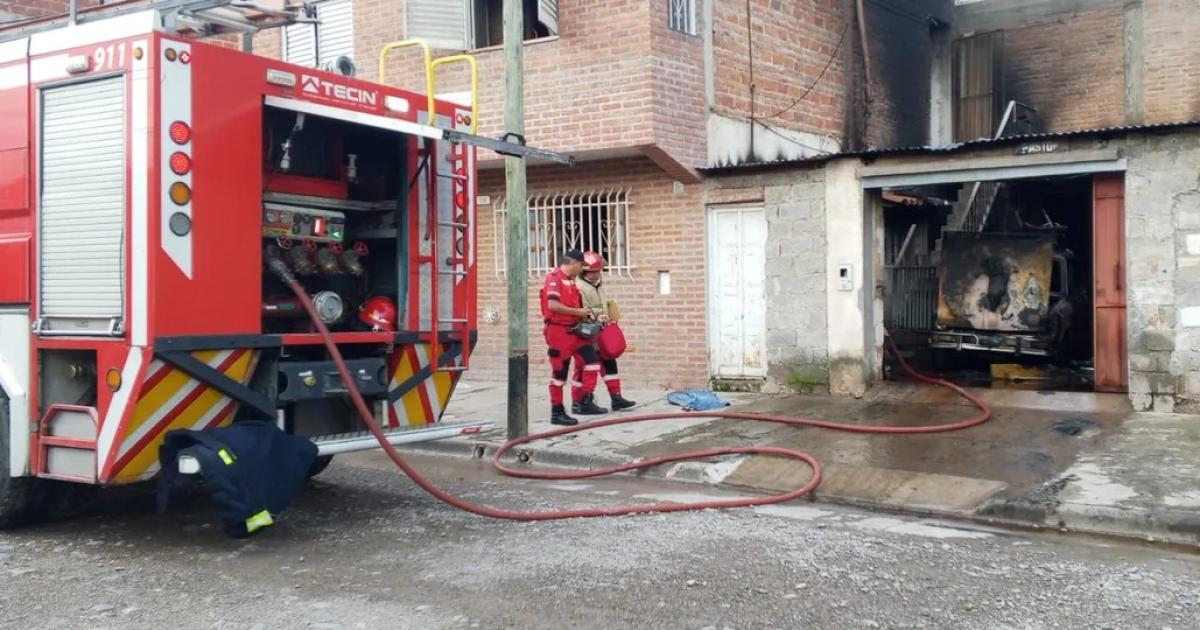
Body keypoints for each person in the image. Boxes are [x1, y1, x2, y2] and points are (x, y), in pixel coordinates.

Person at [540, 249, 606, 426]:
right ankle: (557, 411)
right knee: (559, 374)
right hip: (559, 332)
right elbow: (553, 305)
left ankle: (583, 400)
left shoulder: (570, 281)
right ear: (573, 263)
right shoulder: (554, 278)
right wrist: (578, 312)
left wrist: (592, 316)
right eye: (581, 266)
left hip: (575, 331)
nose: (582, 270)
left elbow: (577, 307)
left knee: (591, 362)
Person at [571, 251, 636, 413]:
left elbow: (601, 305)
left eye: (598, 271)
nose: (595, 275)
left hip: (601, 332)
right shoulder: (579, 287)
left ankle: (616, 398)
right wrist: (597, 316)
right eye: (592, 272)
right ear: (583, 271)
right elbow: (581, 311)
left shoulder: (598, 285)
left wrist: (609, 313)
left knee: (609, 362)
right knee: (585, 368)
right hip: (586, 333)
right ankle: (581, 401)